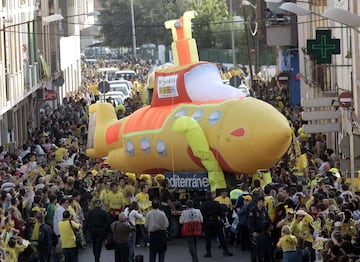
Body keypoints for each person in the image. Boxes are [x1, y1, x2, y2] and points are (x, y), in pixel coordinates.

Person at [200, 192, 233, 258]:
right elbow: (220, 213)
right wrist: (223, 220)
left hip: (207, 222)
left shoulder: (203, 204)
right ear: (212, 197)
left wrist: (203, 222)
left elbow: (201, 213)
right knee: (221, 236)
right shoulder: (216, 203)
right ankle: (225, 250)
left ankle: (208, 252)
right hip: (216, 221)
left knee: (207, 238)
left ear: (206, 197)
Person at [248, 196, 271, 262]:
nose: (263, 203)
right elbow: (250, 223)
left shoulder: (264, 210)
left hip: (263, 232)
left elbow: (267, 219)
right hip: (256, 232)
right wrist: (253, 232)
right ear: (259, 202)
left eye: (264, 202)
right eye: (262, 202)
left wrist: (269, 228)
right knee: (255, 249)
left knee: (263, 249)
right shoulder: (253, 210)